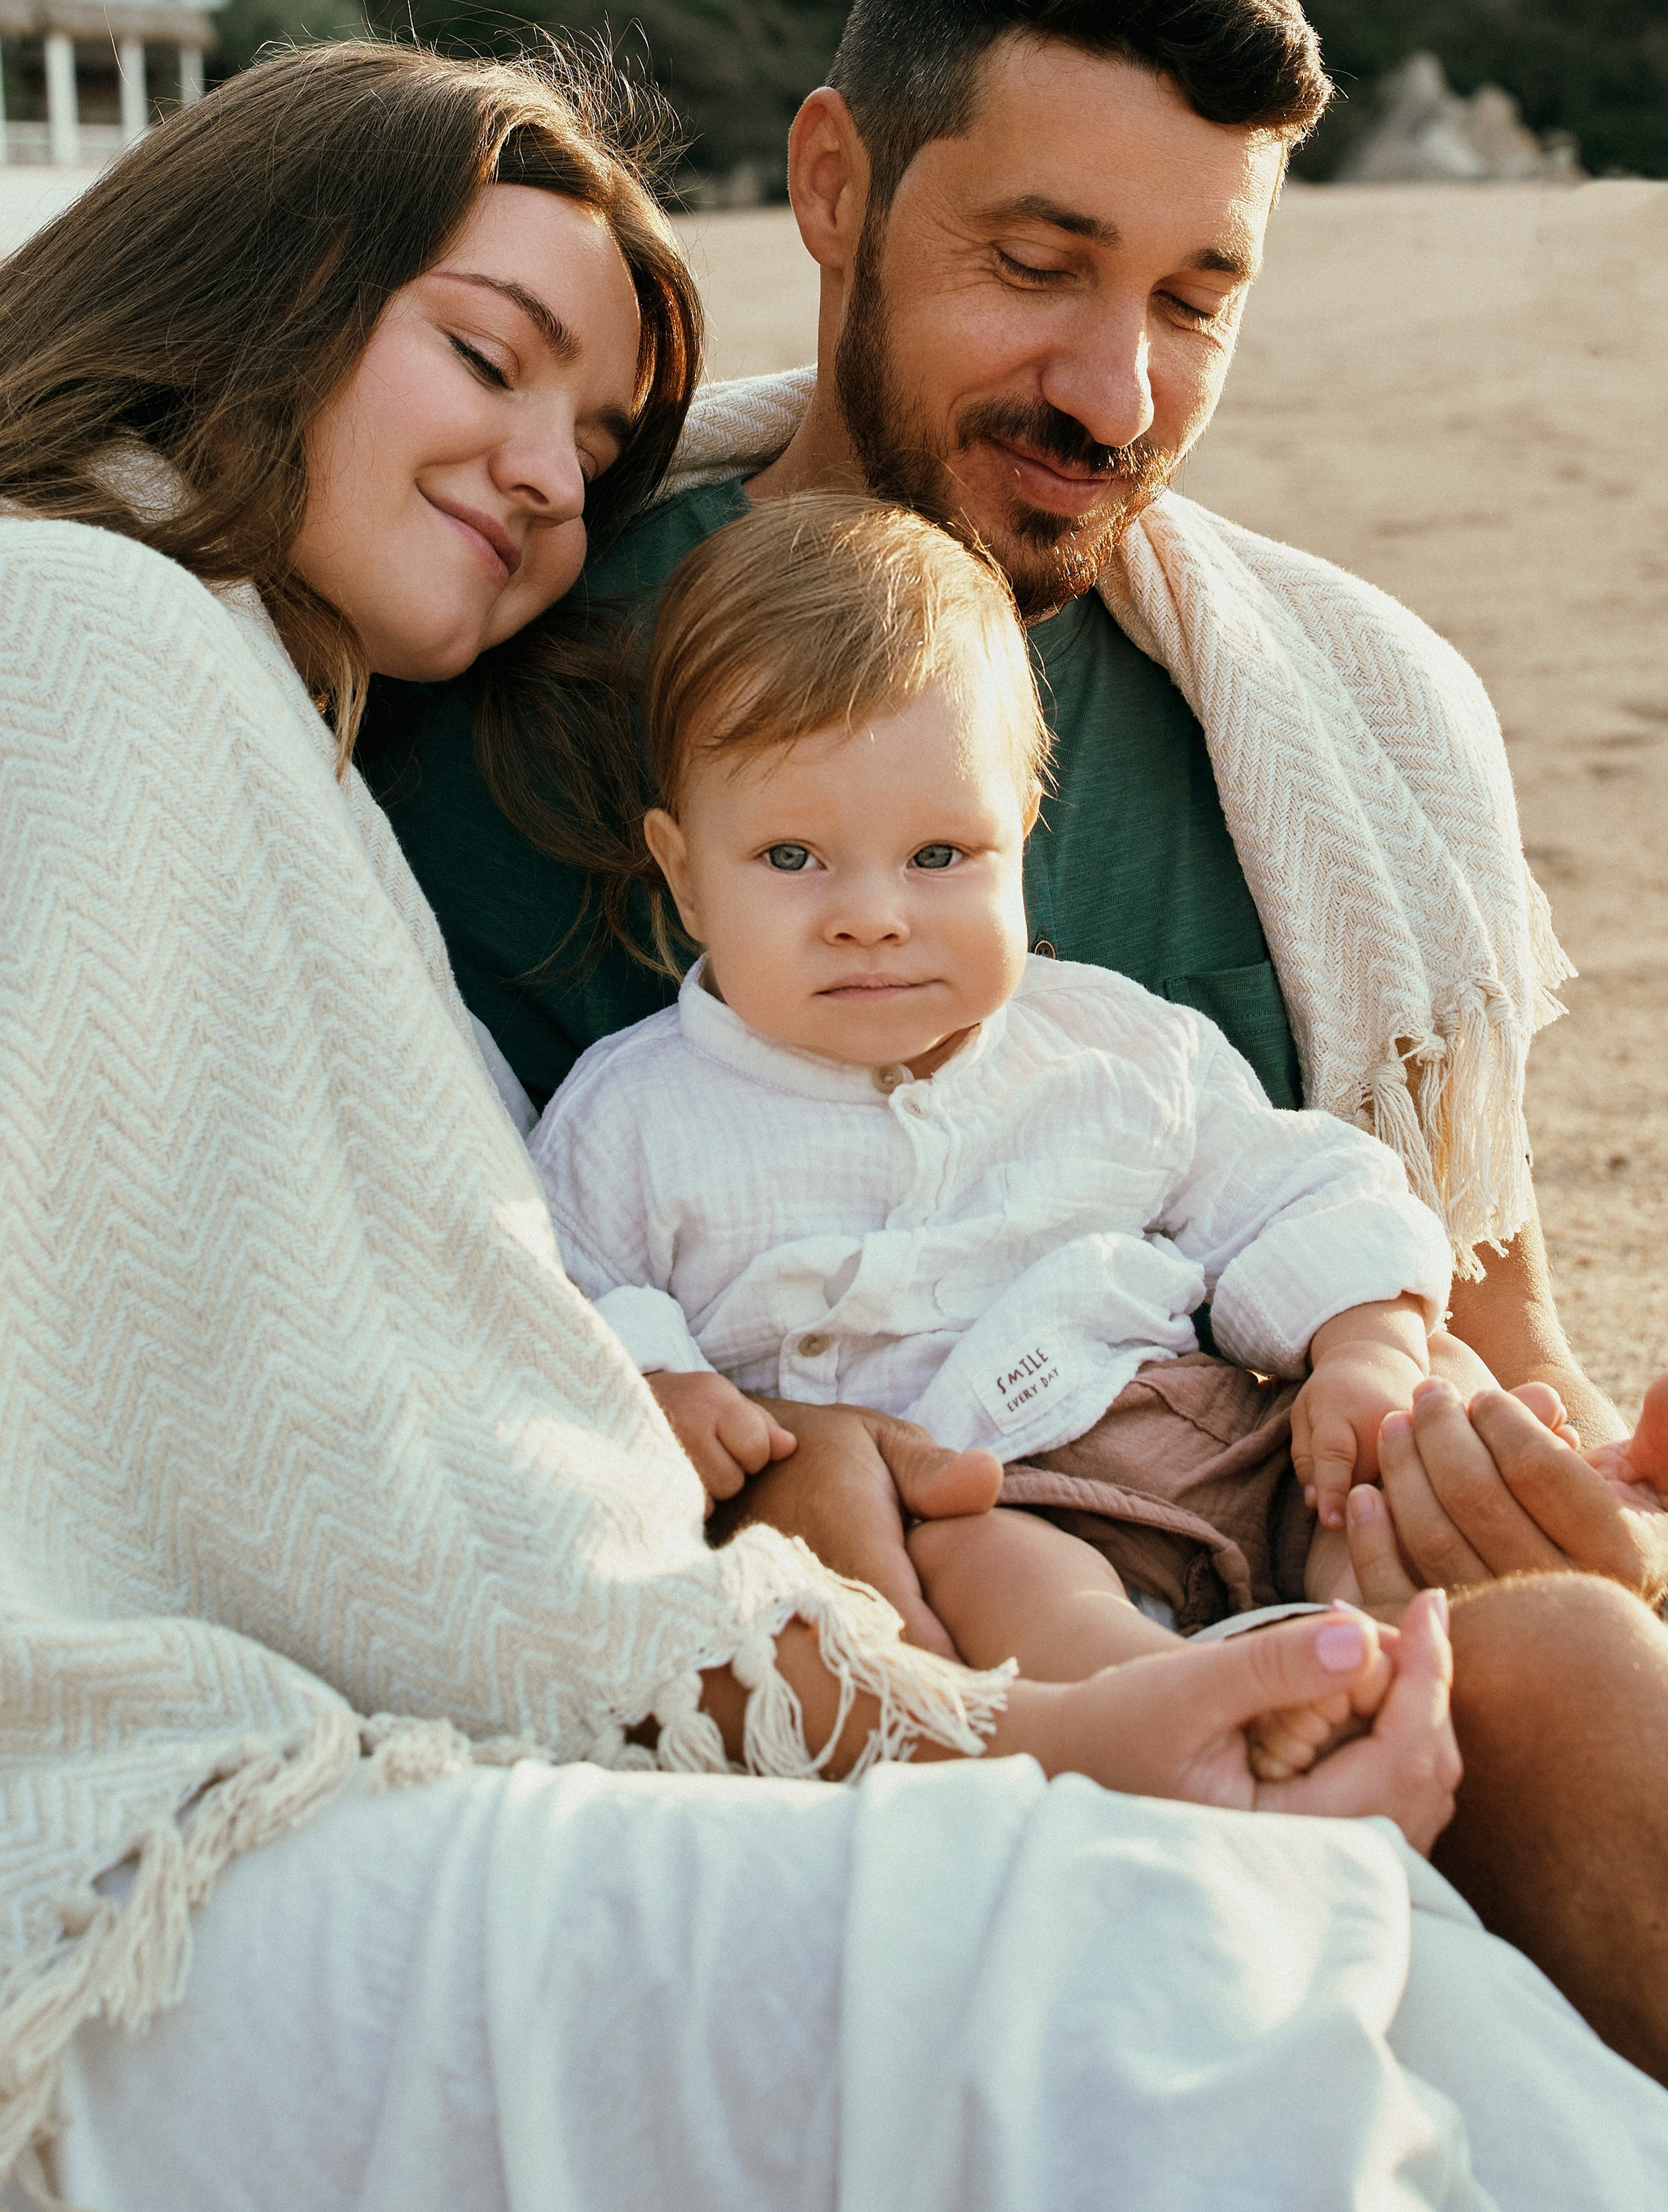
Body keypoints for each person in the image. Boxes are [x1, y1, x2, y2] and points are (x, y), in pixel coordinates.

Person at [0, 32, 1604, 2212]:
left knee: (1319, 1960)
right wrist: (989, 1716)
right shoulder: (48, 629)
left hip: (279, 1776)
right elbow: (366, 1470)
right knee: (1159, 1966)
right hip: (62, 1854)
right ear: (261, 286)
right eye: (487, 359)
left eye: (592, 441)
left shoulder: (214, 680)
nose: (548, 480)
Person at [361, 0, 1668, 1676]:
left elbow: (1495, 1335)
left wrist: (1564, 1502)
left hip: (1324, 1565)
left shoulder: (1353, 720)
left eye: (1193, 302)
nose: (1116, 394)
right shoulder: (480, 679)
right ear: (832, 184)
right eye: (1034, 264)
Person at [534, 487, 1535, 1689]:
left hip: (1194, 1431)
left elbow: (1292, 1180)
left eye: (940, 856)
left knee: (1407, 1457)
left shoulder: (1111, 1042)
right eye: (792, 859)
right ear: (688, 881)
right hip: (962, 1493)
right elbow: (555, 1294)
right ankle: (1186, 1698)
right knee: (1003, 1566)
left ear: (1023, 835)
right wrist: (659, 1377)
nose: (872, 917)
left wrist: (1365, 1336)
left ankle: (1407, 1630)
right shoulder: (638, 1115)